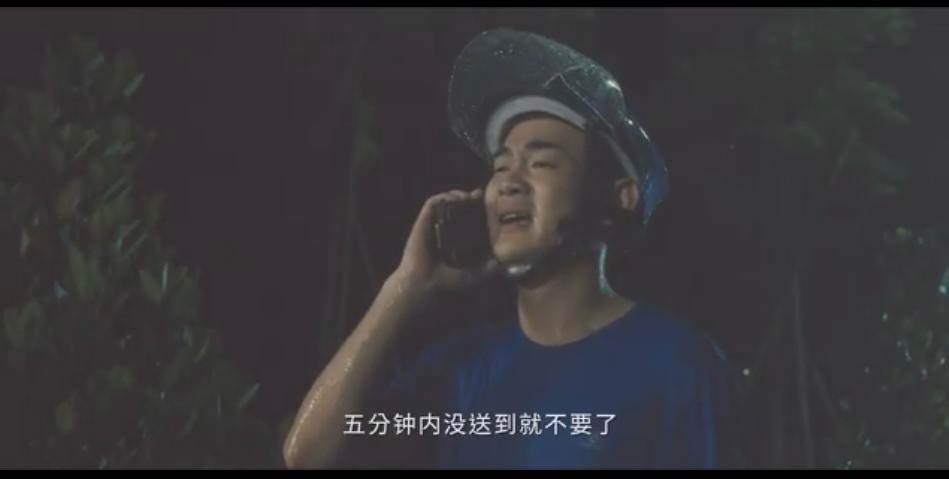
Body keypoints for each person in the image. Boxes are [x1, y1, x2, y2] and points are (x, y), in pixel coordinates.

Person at [283, 28, 741, 469]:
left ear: (617, 195)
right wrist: (406, 285)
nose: (508, 182)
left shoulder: (676, 365)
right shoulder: (461, 373)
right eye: (501, 166)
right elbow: (309, 455)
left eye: (541, 162)